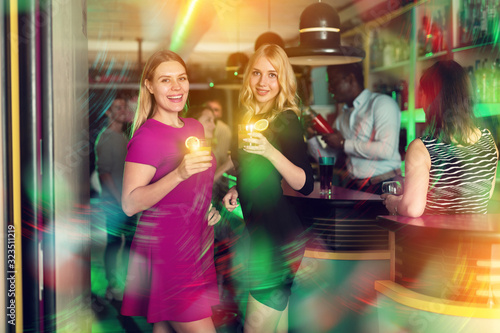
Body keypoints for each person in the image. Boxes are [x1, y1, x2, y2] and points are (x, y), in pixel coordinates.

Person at [120, 50, 221, 332]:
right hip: (169, 253)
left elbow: (195, 186)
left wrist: (206, 206)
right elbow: (129, 203)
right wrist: (179, 173)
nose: (177, 87)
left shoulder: (195, 127)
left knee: (164, 327)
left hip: (197, 246)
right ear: (150, 86)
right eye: (166, 80)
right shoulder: (147, 136)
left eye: (182, 78)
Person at [222, 44, 314, 333]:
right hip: (261, 234)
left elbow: (305, 184)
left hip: (279, 239)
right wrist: (238, 188)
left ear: (282, 80)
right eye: (258, 73)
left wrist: (268, 150)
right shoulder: (246, 117)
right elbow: (251, 170)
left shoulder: (286, 120)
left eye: (272, 75)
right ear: (248, 76)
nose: (263, 82)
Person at [382, 60, 498, 217]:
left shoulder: (422, 148)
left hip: (437, 239)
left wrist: (395, 203)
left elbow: (412, 209)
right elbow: (485, 195)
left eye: (422, 93)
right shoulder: (488, 140)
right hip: (476, 240)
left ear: (432, 98)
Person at [308, 62, 402, 194]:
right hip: (356, 187)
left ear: (350, 79)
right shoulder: (342, 118)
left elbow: (386, 150)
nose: (329, 89)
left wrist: (343, 143)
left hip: (385, 185)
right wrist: (311, 136)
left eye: (333, 82)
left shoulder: (382, 104)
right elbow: (327, 159)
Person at [95, 96, 138, 301]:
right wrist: (121, 199)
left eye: (124, 107)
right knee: (114, 244)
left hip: (127, 203)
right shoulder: (105, 138)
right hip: (114, 205)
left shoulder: (124, 138)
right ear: (108, 112)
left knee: (130, 243)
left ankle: (127, 284)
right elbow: (104, 174)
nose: (122, 111)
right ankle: (112, 286)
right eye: (117, 108)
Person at [205, 98, 232, 170]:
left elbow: (222, 156)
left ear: (221, 113)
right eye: (210, 109)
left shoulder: (224, 128)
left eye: (216, 110)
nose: (212, 112)